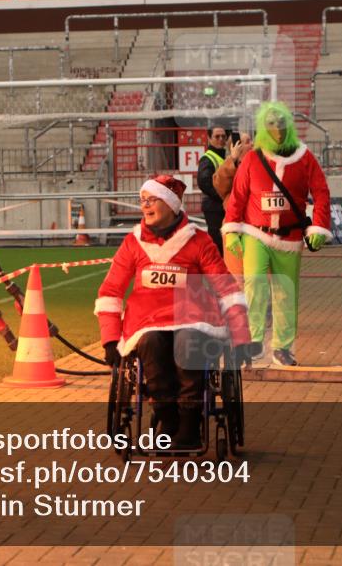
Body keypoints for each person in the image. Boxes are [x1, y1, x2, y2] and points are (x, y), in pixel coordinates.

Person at [95, 175, 255, 449]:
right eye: (142, 200)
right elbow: (110, 291)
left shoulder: (199, 242)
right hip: (147, 323)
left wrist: (240, 335)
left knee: (186, 341)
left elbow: (226, 289)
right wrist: (110, 339)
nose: (145, 206)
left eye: (152, 200)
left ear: (171, 205)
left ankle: (189, 421)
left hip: (192, 319)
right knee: (152, 343)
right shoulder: (132, 244)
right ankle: (167, 417)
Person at [222, 102, 332, 367]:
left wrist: (319, 225)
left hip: (290, 237)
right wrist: (231, 231)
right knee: (255, 285)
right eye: (271, 125)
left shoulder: (305, 158)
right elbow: (238, 197)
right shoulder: (252, 158)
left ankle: (283, 347)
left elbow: (321, 191)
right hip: (255, 233)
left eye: (281, 125)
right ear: (263, 128)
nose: (278, 131)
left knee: (285, 292)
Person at [212, 132, 253, 278]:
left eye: (250, 140)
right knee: (236, 273)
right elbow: (219, 184)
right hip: (234, 225)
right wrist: (233, 160)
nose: (251, 144)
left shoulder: (261, 163)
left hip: (256, 226)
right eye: (245, 141)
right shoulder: (231, 165)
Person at [196, 125, 229, 255]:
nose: (221, 139)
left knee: (223, 243)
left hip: (219, 206)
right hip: (214, 207)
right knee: (218, 244)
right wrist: (222, 196)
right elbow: (204, 182)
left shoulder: (222, 156)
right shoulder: (208, 158)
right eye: (217, 136)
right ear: (209, 138)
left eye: (223, 136)